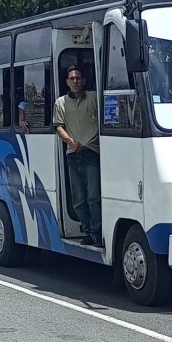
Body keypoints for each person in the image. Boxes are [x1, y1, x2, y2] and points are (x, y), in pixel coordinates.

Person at [53, 66, 101, 246]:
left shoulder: (94, 98)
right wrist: (70, 141)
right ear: (67, 82)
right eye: (72, 78)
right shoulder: (61, 103)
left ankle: (97, 232)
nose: (75, 81)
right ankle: (88, 230)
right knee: (79, 199)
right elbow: (58, 126)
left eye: (78, 78)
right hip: (73, 154)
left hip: (92, 153)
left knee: (94, 197)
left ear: (84, 81)